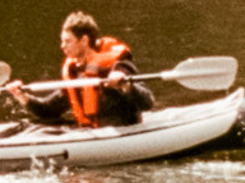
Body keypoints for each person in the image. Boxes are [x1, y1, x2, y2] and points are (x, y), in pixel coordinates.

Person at [13, 12, 150, 128]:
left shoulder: (119, 64)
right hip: (90, 131)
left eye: (68, 41)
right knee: (35, 127)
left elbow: (147, 102)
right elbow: (49, 110)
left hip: (122, 131)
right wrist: (22, 96)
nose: (62, 46)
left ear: (84, 40)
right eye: (62, 41)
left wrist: (126, 86)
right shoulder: (75, 71)